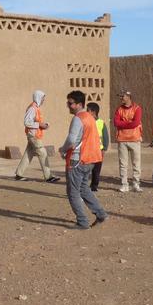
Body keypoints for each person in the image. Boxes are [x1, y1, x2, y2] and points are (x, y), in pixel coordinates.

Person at [60, 91, 108, 229]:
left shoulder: (78, 118)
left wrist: (63, 149)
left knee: (73, 192)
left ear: (79, 104)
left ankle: (82, 222)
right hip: (90, 159)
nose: (68, 106)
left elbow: (71, 139)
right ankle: (101, 214)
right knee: (83, 188)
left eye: (70, 103)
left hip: (78, 160)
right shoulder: (89, 117)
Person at [15, 91, 59, 183]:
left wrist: (43, 125)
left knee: (28, 154)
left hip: (34, 135)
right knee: (42, 153)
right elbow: (26, 122)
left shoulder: (36, 108)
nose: (43, 100)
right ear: (38, 97)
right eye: (43, 98)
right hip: (33, 135)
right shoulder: (32, 108)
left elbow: (36, 122)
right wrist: (39, 124)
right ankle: (48, 176)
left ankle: (19, 174)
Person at [112, 90, 143, 192]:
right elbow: (116, 123)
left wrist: (123, 123)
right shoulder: (119, 109)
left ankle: (136, 183)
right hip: (122, 139)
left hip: (135, 139)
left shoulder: (137, 108)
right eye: (120, 96)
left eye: (123, 96)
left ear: (129, 96)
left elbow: (136, 123)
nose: (121, 98)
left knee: (136, 163)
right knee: (123, 164)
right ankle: (124, 184)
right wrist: (128, 123)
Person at [86, 101, 109, 191]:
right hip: (88, 150)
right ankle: (84, 185)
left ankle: (94, 186)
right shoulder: (86, 122)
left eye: (88, 110)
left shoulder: (101, 123)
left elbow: (105, 136)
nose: (86, 112)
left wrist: (104, 148)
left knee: (96, 169)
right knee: (87, 168)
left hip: (99, 150)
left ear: (93, 112)